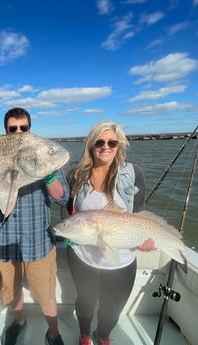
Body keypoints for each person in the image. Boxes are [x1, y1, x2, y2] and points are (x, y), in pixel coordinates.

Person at [0, 107, 70, 345]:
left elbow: (62, 198)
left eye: (24, 127)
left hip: (38, 243)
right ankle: (19, 321)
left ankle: (53, 333)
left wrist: (49, 175)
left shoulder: (44, 155)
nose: (19, 131)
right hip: (4, 241)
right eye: (13, 129)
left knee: (45, 294)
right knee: (11, 293)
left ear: (30, 129)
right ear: (6, 131)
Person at [63, 122, 155, 345]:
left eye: (112, 142)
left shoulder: (133, 173)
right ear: (91, 145)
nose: (106, 147)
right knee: (85, 301)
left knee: (113, 307)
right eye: (100, 142)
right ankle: (84, 334)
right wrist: (67, 233)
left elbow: (140, 211)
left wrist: (147, 237)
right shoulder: (76, 174)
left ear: (119, 145)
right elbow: (67, 208)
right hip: (83, 257)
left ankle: (102, 335)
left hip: (122, 260)